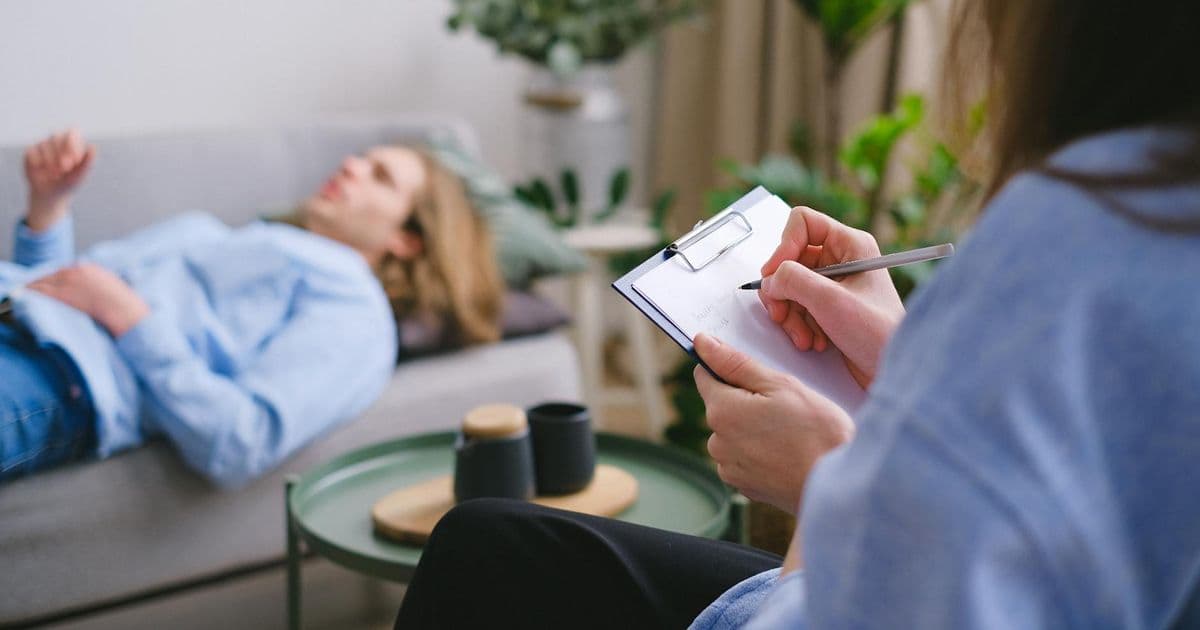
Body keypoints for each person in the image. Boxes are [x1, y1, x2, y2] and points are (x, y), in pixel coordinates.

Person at [392, 0, 1200, 628]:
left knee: (482, 554)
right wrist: (909, 366)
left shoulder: (1086, 238)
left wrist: (824, 481)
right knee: (488, 540)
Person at [0, 129, 504, 487]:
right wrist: (49, 209)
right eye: (361, 159)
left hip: (56, 376)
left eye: (380, 177)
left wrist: (129, 318)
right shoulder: (247, 237)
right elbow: (57, 290)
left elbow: (239, 442)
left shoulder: (353, 308)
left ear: (407, 240)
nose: (351, 166)